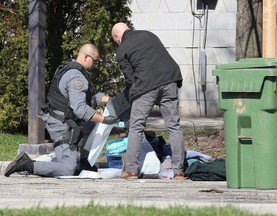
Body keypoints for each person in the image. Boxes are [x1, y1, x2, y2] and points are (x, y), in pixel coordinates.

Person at [5, 43, 119, 177]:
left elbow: (91, 95)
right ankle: (27, 164)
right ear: (86, 57)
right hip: (62, 126)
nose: (95, 65)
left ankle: (85, 163)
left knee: (90, 125)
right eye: (95, 61)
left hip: (60, 120)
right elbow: (80, 109)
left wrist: (110, 100)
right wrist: (104, 119)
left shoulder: (70, 68)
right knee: (67, 169)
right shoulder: (77, 77)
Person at [111, 23, 186, 180]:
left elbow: (130, 78)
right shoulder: (148, 34)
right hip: (170, 79)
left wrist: (132, 95)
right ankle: (178, 171)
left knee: (136, 127)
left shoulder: (122, 49)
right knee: (174, 127)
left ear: (118, 37)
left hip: (146, 85)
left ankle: (131, 170)